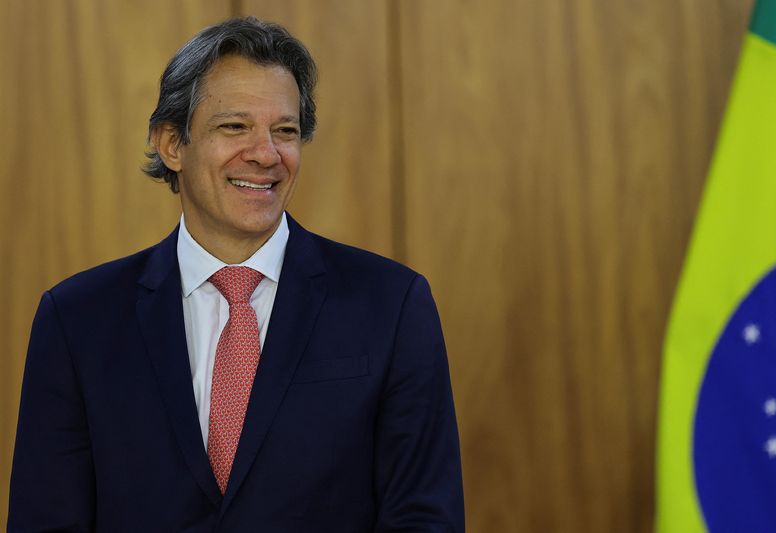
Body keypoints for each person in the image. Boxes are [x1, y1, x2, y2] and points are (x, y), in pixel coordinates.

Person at [8, 17, 464, 532]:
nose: (266, 154)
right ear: (171, 143)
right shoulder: (76, 320)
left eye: (285, 131)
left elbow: (424, 518)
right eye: (234, 127)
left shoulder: (392, 304)